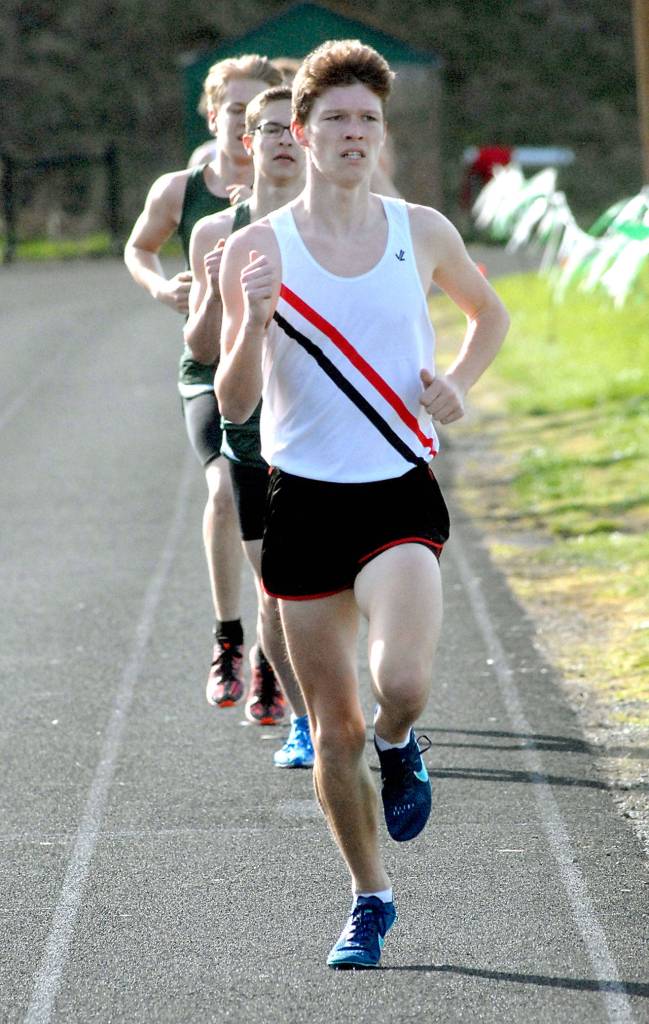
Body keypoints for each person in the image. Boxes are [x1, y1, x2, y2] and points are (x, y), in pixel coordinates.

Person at [215, 39, 509, 968]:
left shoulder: (418, 229)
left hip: (396, 491)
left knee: (403, 685)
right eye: (335, 118)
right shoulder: (256, 250)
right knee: (331, 731)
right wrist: (255, 322)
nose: (352, 133)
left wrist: (457, 381)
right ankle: (369, 898)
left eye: (367, 120)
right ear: (299, 134)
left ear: (382, 136)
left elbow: (487, 312)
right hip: (302, 503)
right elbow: (233, 404)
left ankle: (403, 741)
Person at [124, 55, 281, 708]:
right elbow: (138, 247)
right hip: (209, 365)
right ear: (212, 114)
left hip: (281, 369)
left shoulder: (293, 181)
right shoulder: (181, 190)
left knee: (278, 511)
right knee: (222, 485)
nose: (243, 119)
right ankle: (229, 636)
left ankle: (280, 644)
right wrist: (165, 286)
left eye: (257, 109)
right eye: (233, 108)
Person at [185, 86, 313, 764]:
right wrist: (207, 289)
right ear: (248, 143)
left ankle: (340, 708)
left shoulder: (340, 226)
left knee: (343, 587)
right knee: (277, 587)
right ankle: (302, 717)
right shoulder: (219, 232)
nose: (282, 140)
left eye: (294, 127)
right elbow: (201, 350)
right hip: (251, 431)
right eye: (268, 129)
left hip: (326, 427)